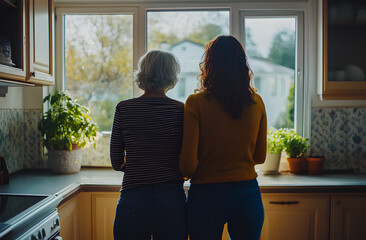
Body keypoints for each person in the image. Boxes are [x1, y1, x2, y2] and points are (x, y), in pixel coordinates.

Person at [179, 35, 267, 240]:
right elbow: (260, 157)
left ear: (209, 64)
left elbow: (187, 167)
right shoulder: (257, 102)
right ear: (242, 65)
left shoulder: (195, 103)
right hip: (247, 195)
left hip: (205, 196)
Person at [111, 50, 187, 240]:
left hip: (133, 197)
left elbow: (115, 160)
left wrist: (139, 168)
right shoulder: (181, 110)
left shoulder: (124, 108)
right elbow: (187, 155)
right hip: (171, 198)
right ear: (171, 76)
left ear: (142, 74)